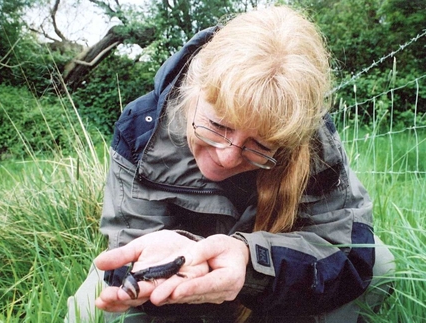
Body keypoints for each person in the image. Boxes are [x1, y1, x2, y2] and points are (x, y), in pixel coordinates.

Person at [67, 5, 395, 323]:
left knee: (380, 265)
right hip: (179, 284)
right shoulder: (141, 129)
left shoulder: (316, 143)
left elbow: (349, 257)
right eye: (217, 126)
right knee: (92, 303)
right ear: (191, 94)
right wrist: (198, 266)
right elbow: (126, 251)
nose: (226, 156)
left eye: (261, 145)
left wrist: (249, 263)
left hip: (268, 286)